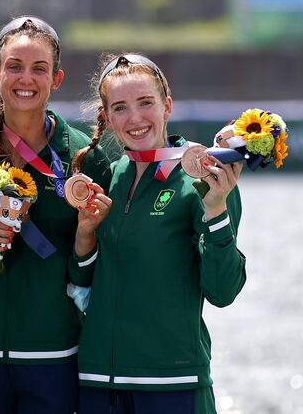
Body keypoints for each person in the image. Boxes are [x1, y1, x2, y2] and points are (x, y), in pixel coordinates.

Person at [0, 16, 111, 414]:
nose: (26, 78)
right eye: (15, 66)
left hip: (53, 359)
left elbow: (100, 270)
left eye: (39, 68)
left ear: (56, 79)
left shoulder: (85, 157)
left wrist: (85, 237)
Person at [70, 53, 246, 414]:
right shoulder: (106, 177)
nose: (135, 118)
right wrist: (84, 236)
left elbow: (223, 291)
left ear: (167, 105)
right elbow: (86, 285)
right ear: (106, 118)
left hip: (173, 386)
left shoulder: (204, 178)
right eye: (120, 108)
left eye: (146, 102)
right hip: (98, 385)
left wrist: (215, 209)